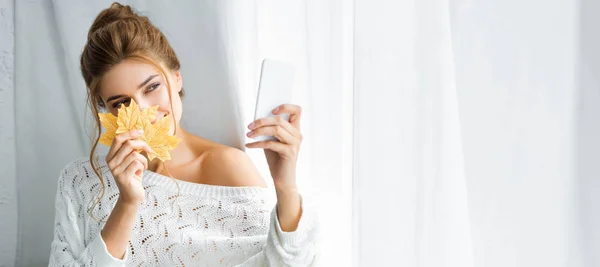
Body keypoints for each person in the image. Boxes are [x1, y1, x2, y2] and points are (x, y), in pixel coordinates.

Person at [48, 2, 317, 266]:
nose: (143, 111)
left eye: (152, 87)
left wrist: (285, 186)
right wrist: (127, 204)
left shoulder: (226, 166)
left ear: (176, 78)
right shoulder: (80, 181)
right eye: (120, 103)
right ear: (105, 110)